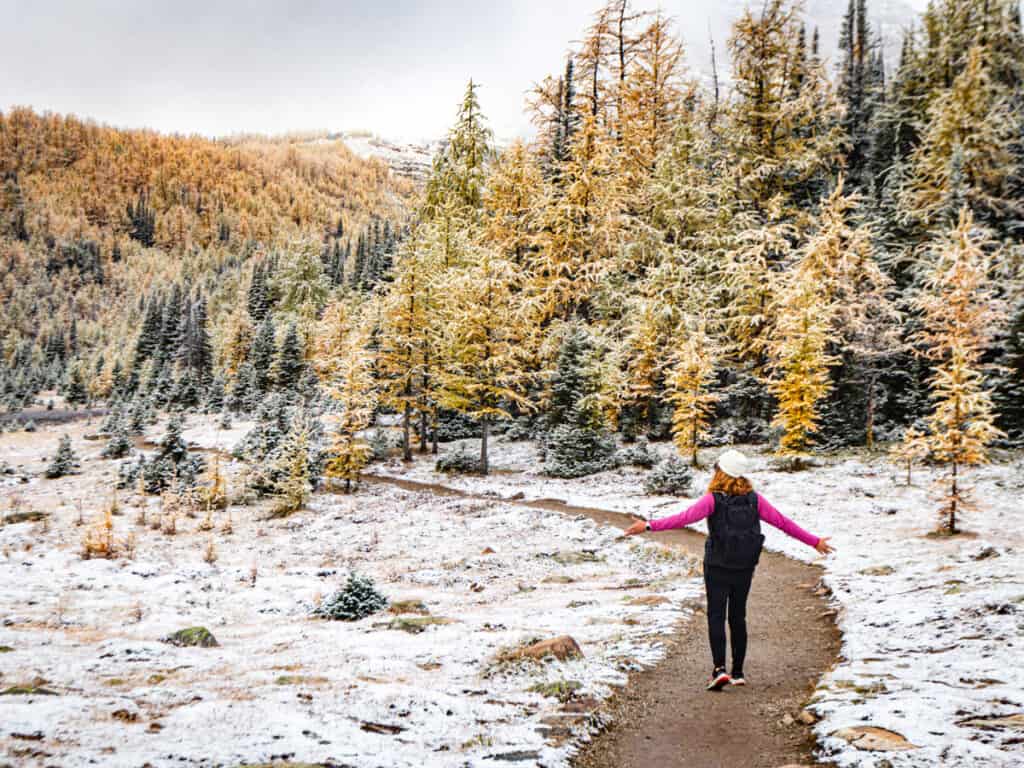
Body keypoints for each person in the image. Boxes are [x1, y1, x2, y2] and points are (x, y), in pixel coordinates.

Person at [624, 448, 833, 691]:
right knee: (737, 616)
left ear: (720, 471)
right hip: (744, 565)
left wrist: (648, 526)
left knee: (716, 615)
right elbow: (783, 523)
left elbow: (683, 518)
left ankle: (719, 670)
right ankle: (739, 672)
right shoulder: (754, 499)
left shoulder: (713, 499)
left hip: (717, 565)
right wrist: (814, 541)